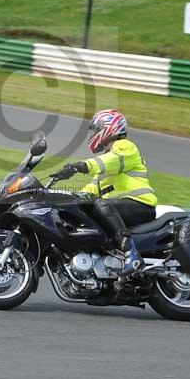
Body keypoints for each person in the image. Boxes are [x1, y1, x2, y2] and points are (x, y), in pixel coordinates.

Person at [55, 109, 157, 275]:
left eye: (96, 130)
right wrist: (69, 199)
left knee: (101, 205)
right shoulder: (105, 161)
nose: (94, 134)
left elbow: (109, 161)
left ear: (110, 128)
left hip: (138, 204)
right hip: (117, 208)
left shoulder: (124, 147)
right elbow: (91, 189)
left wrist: (81, 165)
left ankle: (131, 253)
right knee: (88, 210)